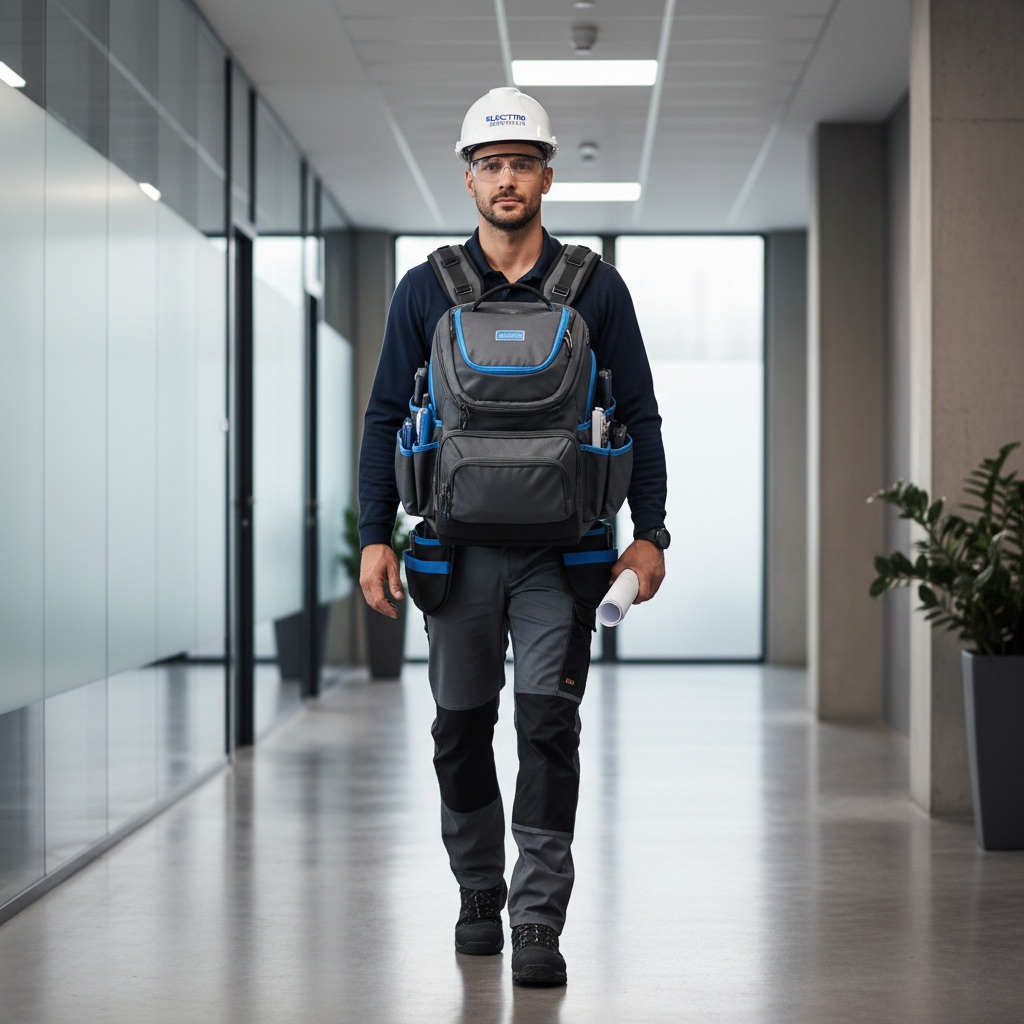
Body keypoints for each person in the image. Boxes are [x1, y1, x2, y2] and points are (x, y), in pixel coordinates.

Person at [357, 86, 669, 987]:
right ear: (468, 180)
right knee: (460, 732)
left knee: (547, 726)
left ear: (545, 175)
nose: (506, 179)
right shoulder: (427, 290)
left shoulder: (594, 287)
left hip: (562, 556)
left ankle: (537, 918)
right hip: (451, 553)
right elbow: (385, 417)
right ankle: (476, 891)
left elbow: (640, 414)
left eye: (521, 163)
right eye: (491, 165)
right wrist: (377, 532)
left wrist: (651, 535)